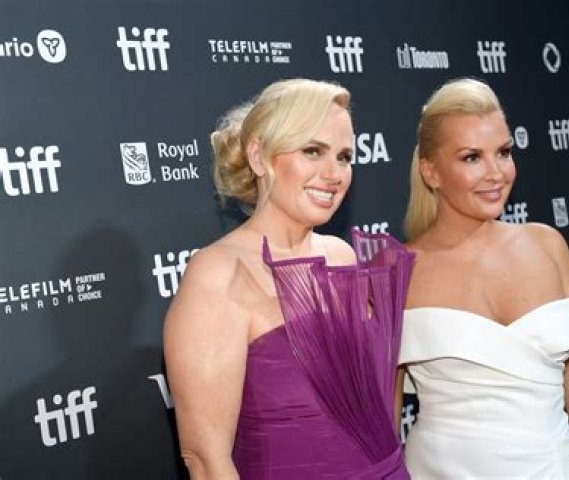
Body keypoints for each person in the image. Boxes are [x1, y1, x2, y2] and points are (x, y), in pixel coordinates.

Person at [163, 79, 412, 480]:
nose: (333, 173)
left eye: (344, 156)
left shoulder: (342, 255)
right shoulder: (218, 273)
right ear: (259, 157)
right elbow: (207, 460)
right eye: (312, 151)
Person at [397, 78, 569, 479]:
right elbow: (385, 410)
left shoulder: (547, 246)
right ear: (431, 172)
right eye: (471, 157)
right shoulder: (398, 270)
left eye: (503, 152)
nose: (496, 173)